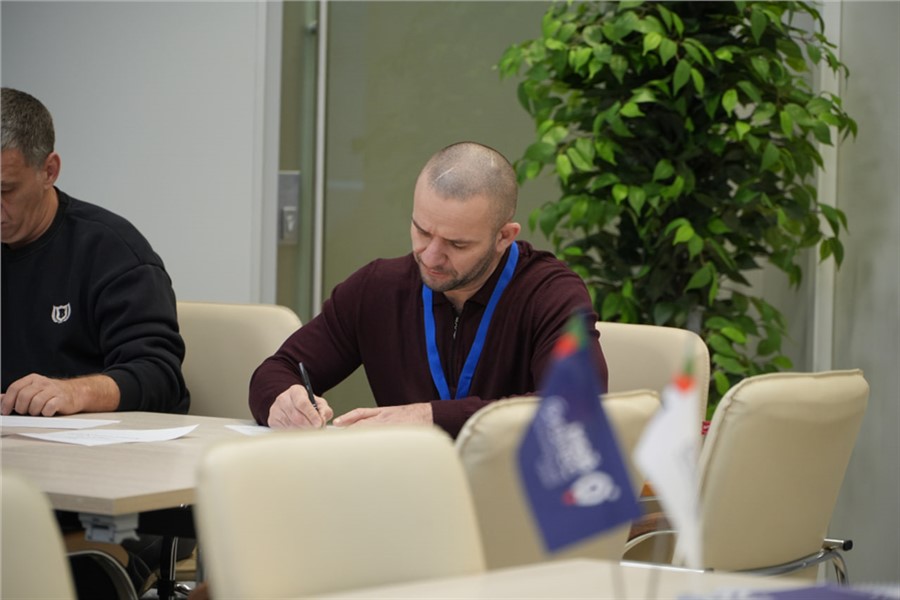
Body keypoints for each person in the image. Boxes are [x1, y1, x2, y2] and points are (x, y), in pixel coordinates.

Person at [249, 141, 607, 438]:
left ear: (504, 237)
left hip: (510, 490)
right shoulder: (378, 289)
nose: (431, 256)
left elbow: (574, 405)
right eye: (422, 231)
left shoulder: (551, 294)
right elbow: (277, 370)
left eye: (457, 244)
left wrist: (429, 417)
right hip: (406, 486)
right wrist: (284, 401)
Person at [1, 87, 192, 596]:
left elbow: (159, 375)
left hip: (94, 507)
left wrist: (75, 392)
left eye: (5, 190)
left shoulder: (110, 251)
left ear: (49, 170)